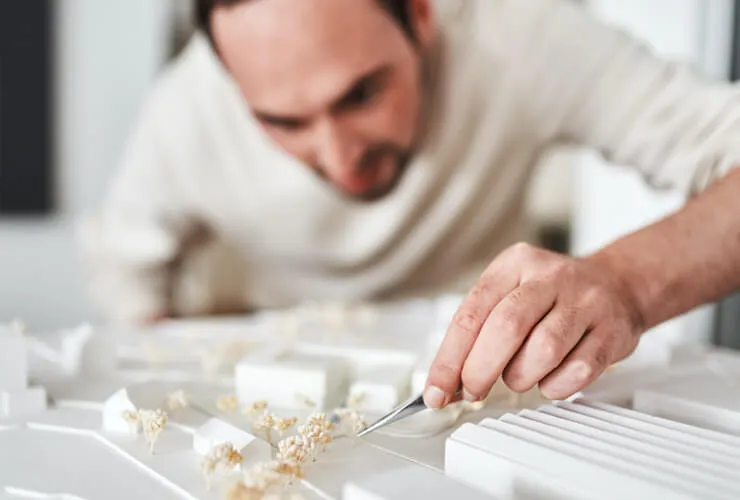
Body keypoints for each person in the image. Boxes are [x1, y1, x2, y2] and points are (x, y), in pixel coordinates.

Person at [81, 0, 740, 408]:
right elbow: (126, 271)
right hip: (283, 387)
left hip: (488, 390)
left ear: (421, 14)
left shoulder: (518, 35)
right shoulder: (184, 110)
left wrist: (626, 281)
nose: (340, 161)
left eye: (362, 94)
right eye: (284, 122)